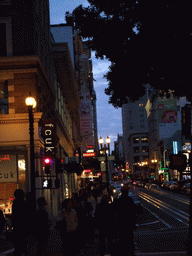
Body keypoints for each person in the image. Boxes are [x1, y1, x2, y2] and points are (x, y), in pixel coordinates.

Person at [115, 185, 137, 256]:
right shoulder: (129, 200)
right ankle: (130, 252)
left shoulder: (119, 200)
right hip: (128, 223)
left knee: (123, 239)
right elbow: (133, 212)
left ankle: (124, 252)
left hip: (122, 224)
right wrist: (134, 223)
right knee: (130, 239)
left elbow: (117, 213)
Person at [11, 189, 28, 256]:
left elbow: (14, 216)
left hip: (17, 227)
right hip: (23, 227)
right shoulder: (23, 204)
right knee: (23, 243)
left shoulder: (15, 204)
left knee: (18, 246)